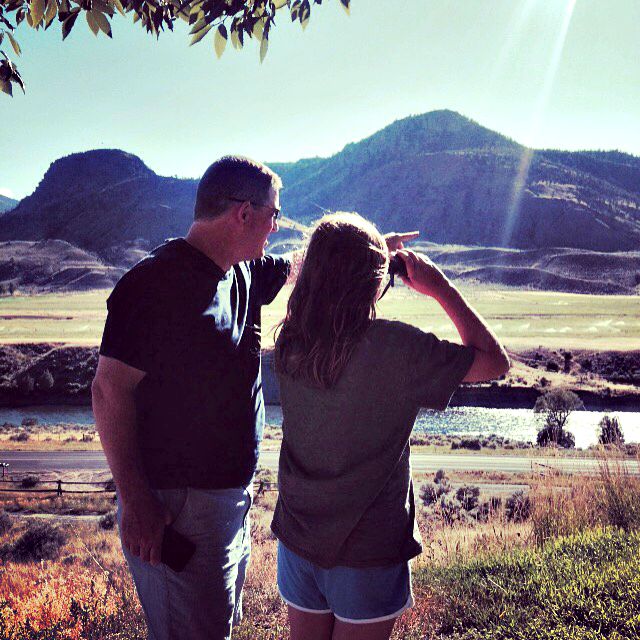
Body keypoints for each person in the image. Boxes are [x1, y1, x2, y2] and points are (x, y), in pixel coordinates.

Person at [272, 212, 510, 640]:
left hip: (297, 539)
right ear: (374, 281)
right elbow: (495, 362)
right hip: (367, 552)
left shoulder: (291, 338)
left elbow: (331, 275)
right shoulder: (396, 348)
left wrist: (365, 253)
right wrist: (440, 287)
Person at [92, 156, 291, 640]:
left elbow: (299, 267)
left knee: (214, 628)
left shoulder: (242, 272)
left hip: (229, 503)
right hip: (176, 509)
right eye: (274, 215)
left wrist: (374, 249)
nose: (276, 227)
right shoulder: (153, 286)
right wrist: (136, 499)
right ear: (243, 213)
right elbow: (108, 390)